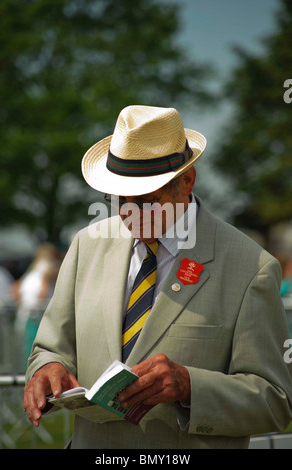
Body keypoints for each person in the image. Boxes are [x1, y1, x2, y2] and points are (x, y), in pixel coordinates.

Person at [24, 105, 292, 449]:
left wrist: (189, 385)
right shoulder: (86, 246)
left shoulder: (251, 267)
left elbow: (275, 401)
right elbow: (50, 348)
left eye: (148, 200)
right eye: (121, 198)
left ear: (188, 181)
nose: (130, 213)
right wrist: (47, 369)